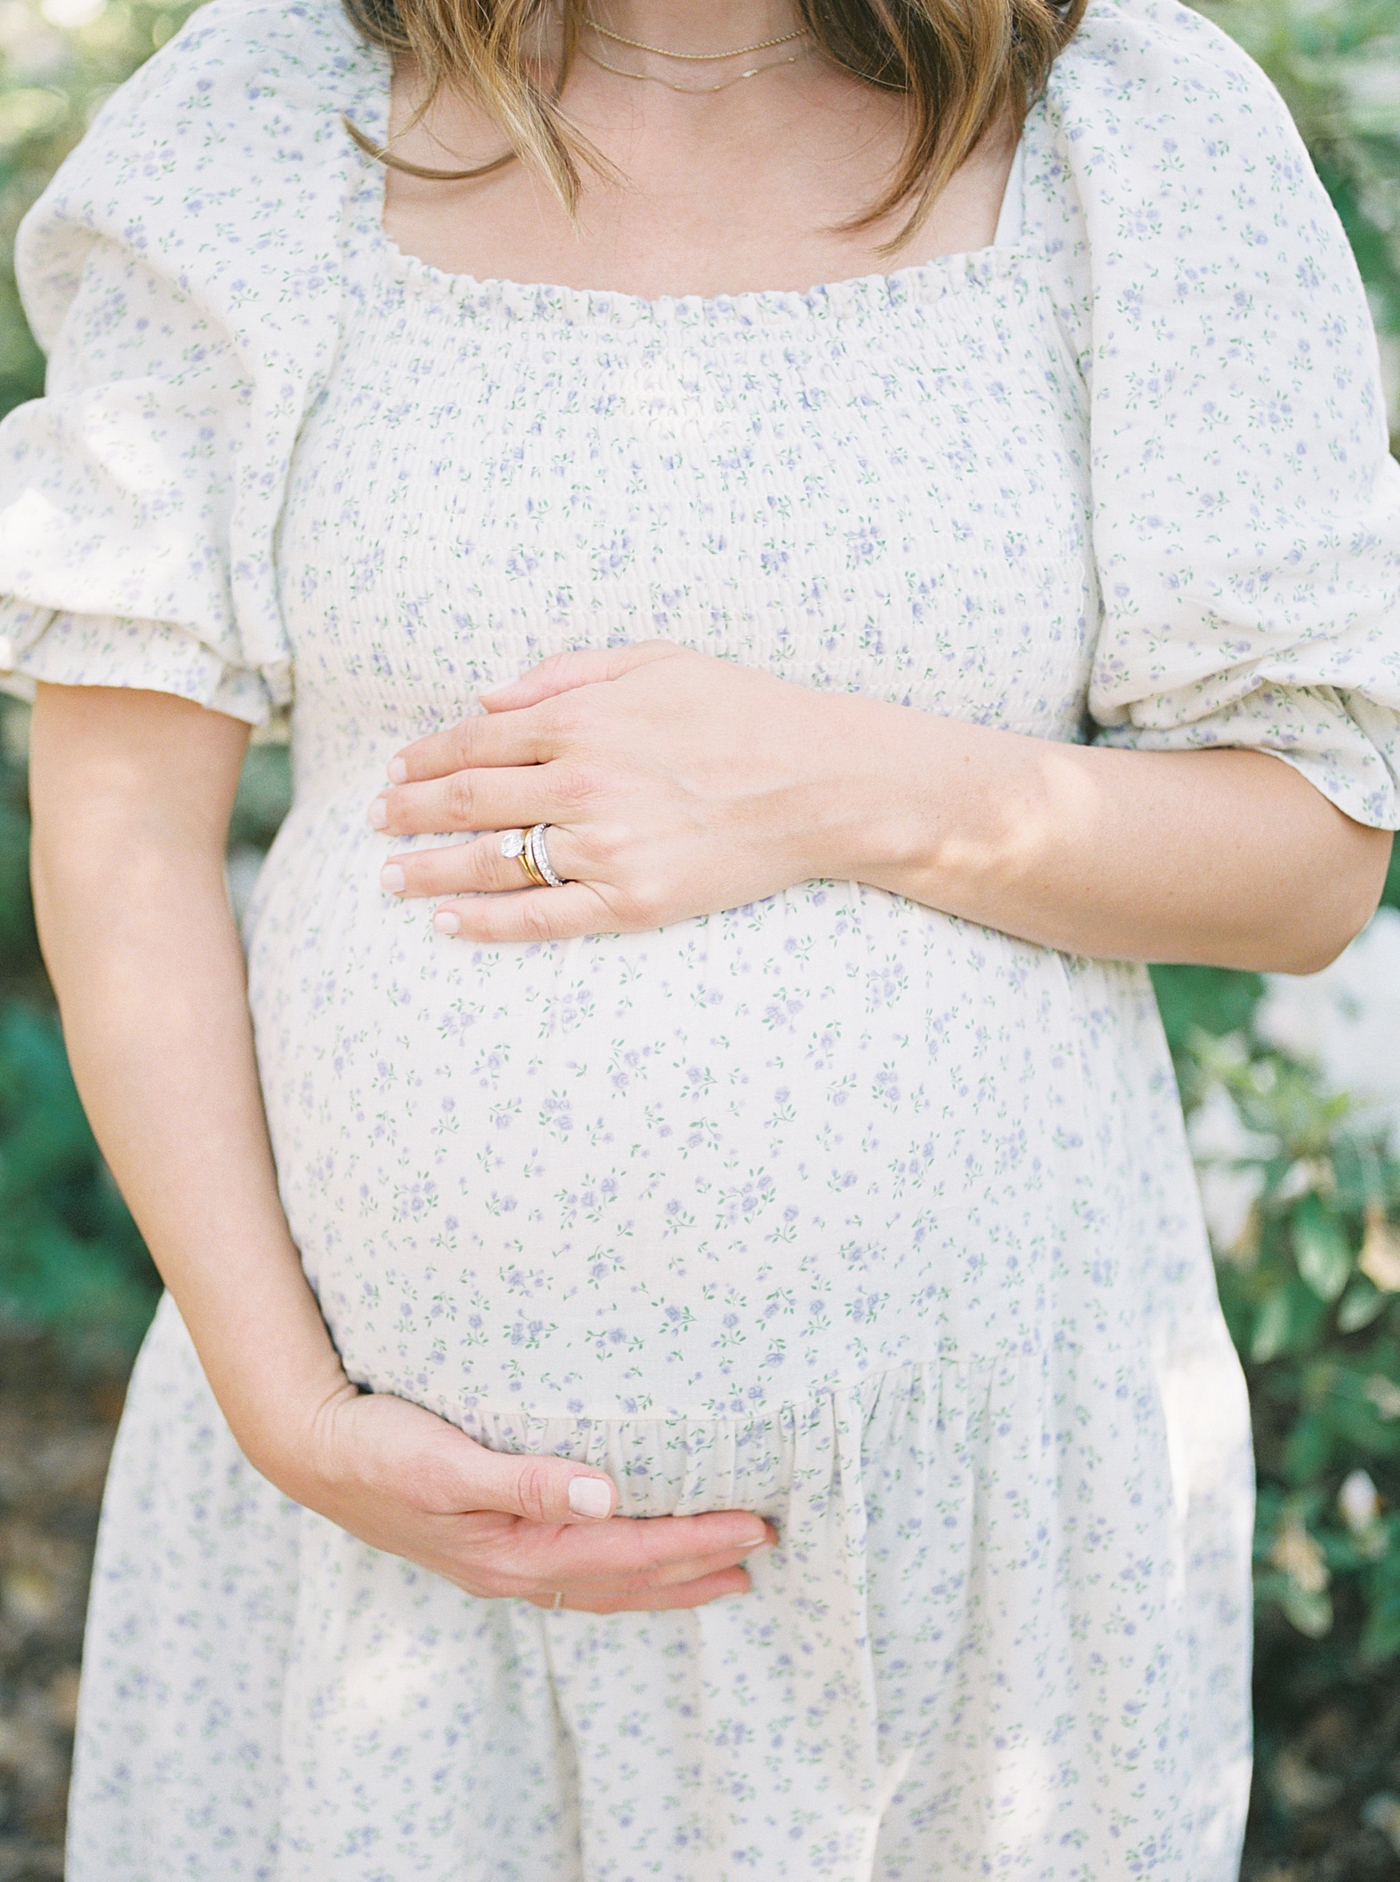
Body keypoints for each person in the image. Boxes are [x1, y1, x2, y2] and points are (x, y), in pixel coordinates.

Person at [1, 0, 1397, 1871]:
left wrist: (829, 782)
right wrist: (295, 1413)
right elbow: (118, 842)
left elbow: (1306, 861)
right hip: (378, 1556)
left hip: (971, 1560)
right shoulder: (270, 123)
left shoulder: (1129, 139)